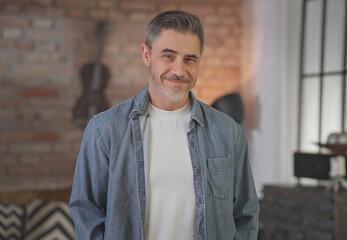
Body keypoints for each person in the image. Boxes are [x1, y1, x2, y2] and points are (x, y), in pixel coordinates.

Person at [69, 9, 259, 240]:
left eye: (190, 58)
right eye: (168, 56)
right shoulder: (104, 130)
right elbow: (85, 211)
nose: (179, 70)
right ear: (146, 55)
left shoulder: (229, 133)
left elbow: (246, 215)